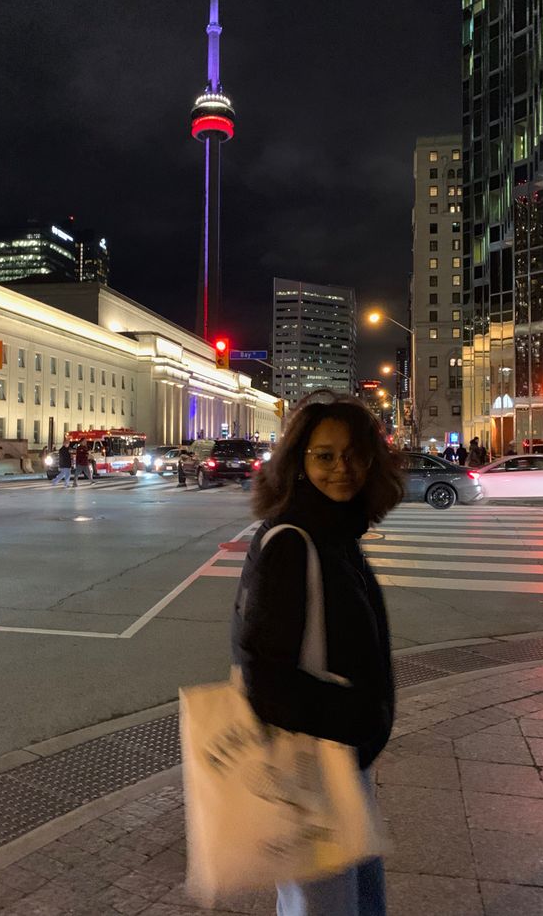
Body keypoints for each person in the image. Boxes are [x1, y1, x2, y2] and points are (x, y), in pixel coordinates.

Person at [232, 391, 403, 916]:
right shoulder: (293, 541)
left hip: (341, 761)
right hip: (314, 766)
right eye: (324, 455)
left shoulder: (335, 533)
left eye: (354, 454)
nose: (342, 468)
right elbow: (262, 672)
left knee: (357, 901)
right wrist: (353, 718)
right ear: (298, 464)